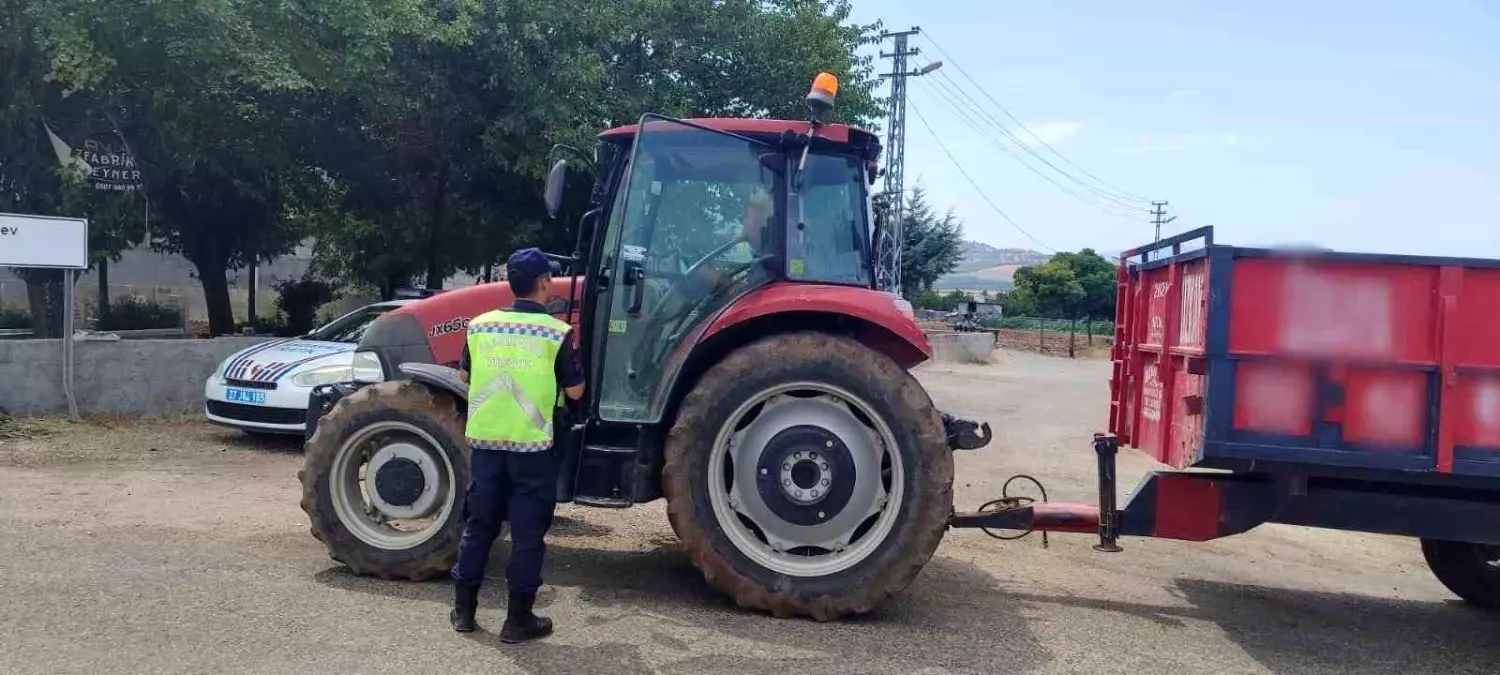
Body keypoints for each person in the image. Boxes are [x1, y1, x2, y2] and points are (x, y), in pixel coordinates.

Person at [449, 247, 585, 643]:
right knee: (527, 535)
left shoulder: (479, 326)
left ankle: (464, 613)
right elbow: (575, 392)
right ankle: (517, 621)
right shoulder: (556, 333)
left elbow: (463, 378)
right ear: (544, 282)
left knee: (479, 527)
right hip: (533, 450)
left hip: (488, 448)